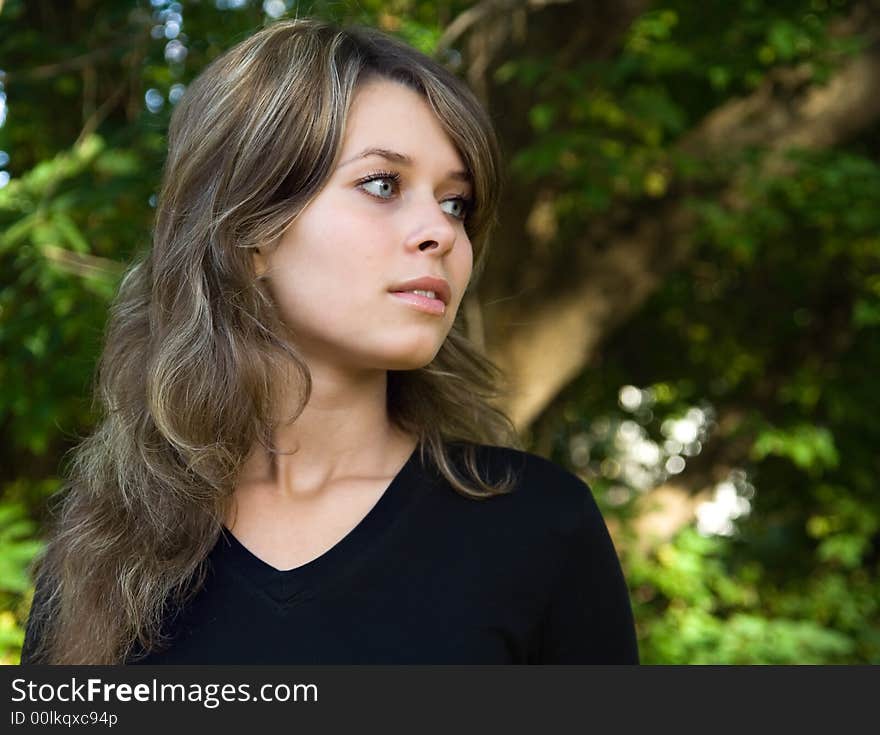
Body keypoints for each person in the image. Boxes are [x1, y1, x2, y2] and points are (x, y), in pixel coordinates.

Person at [20, 17, 638, 665]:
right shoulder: (100, 549)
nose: (442, 232)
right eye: (382, 184)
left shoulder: (539, 528)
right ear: (249, 231)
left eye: (456, 203)